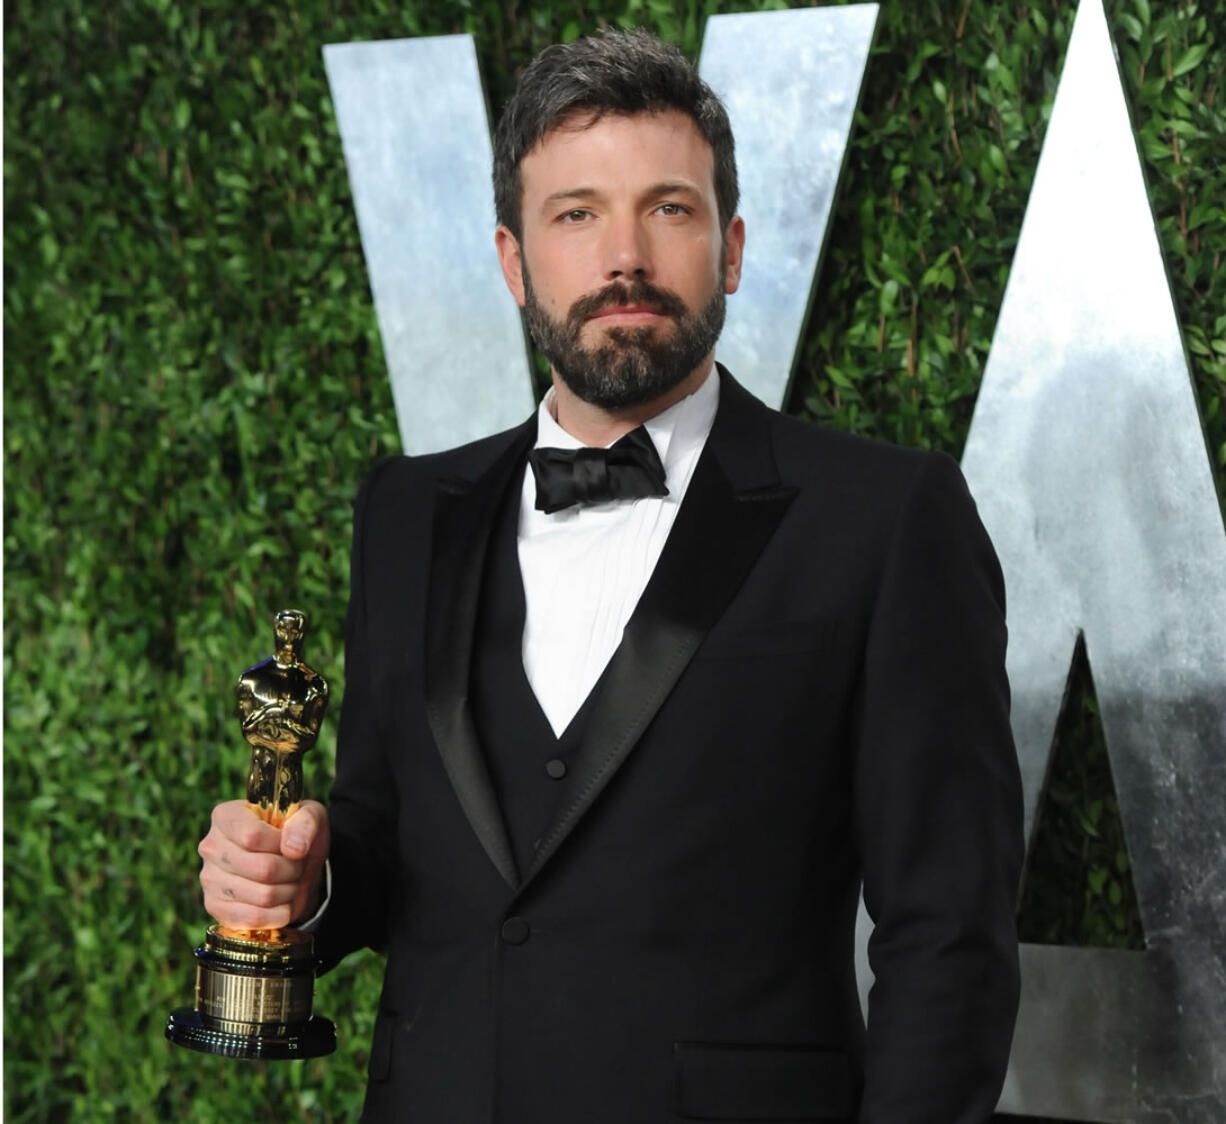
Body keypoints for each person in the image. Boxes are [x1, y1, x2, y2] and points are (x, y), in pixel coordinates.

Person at [198, 29, 1023, 1123]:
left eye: (667, 208)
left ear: (728, 249)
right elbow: (387, 825)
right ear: (513, 259)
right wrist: (305, 881)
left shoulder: (883, 517)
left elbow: (949, 935)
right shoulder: (406, 512)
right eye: (575, 213)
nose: (622, 256)